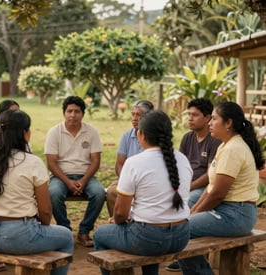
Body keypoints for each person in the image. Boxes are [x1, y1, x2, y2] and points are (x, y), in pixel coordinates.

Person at [93, 110, 192, 275]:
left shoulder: (134, 163)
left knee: (101, 235)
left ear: (142, 135)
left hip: (148, 238)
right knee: (140, 230)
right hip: (181, 236)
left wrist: (118, 220)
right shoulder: (182, 159)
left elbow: (119, 213)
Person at [0, 110, 73, 275]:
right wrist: (41, 226)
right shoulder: (32, 162)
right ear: (24, 134)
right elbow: (45, 210)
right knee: (66, 236)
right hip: (20, 236)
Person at [178, 102, 264, 274]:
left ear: (228, 123)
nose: (210, 123)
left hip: (235, 215)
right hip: (229, 212)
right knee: (180, 225)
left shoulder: (233, 149)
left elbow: (217, 194)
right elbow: (211, 187)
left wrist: (191, 216)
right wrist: (192, 212)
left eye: (215, 119)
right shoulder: (225, 145)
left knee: (178, 231)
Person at [166, 98, 221, 272]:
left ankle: (186, 254)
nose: (190, 118)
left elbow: (210, 174)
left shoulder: (215, 141)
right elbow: (179, 164)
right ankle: (181, 251)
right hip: (185, 184)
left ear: (207, 118)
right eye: (189, 114)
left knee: (186, 207)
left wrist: (188, 187)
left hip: (204, 188)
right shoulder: (187, 137)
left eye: (195, 115)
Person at [44, 96, 106, 247]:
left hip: (86, 175)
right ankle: (65, 231)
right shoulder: (54, 132)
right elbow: (51, 163)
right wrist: (68, 181)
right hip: (60, 176)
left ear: (83, 113)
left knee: (99, 193)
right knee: (53, 193)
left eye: (77, 111)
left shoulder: (91, 131)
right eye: (69, 111)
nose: (73, 115)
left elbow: (96, 161)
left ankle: (84, 232)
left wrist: (83, 181)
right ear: (64, 113)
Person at [106, 100, 154, 217]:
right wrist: (126, 182)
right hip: (128, 178)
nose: (134, 118)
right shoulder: (127, 136)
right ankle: (118, 223)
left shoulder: (154, 137)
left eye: (139, 115)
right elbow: (119, 164)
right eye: (133, 114)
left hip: (149, 180)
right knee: (112, 192)